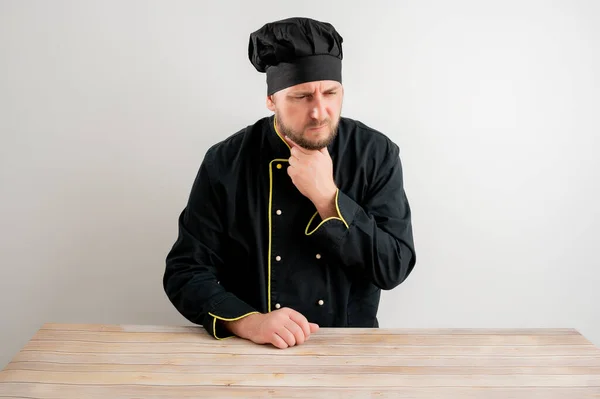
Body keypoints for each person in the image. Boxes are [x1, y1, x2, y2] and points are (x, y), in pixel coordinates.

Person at [163, 17, 416, 349]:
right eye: (301, 96)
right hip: (254, 351)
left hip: (350, 350)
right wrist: (247, 322)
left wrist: (328, 198)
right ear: (272, 100)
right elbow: (185, 270)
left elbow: (393, 266)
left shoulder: (374, 153)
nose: (319, 111)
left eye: (330, 93)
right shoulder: (226, 161)